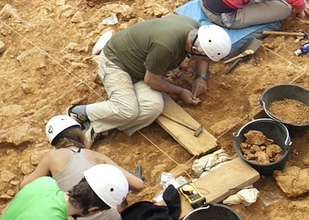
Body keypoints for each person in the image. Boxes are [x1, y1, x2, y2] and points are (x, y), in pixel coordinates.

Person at [70, 17, 232, 143]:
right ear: (195, 49)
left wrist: (201, 77)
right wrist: (181, 91)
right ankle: (78, 112)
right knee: (128, 110)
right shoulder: (167, 47)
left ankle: (97, 128)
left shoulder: (196, 30)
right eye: (203, 58)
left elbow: (202, 59)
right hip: (116, 63)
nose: (205, 62)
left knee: (154, 107)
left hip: (142, 68)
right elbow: (152, 80)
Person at [22, 117, 143, 220]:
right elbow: (138, 185)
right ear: (79, 133)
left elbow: (25, 186)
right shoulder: (97, 157)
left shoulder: (53, 157)